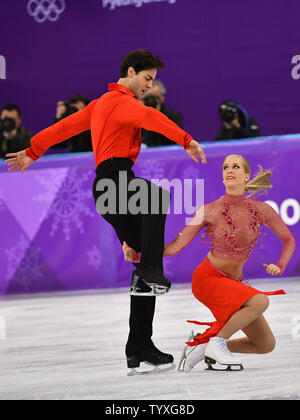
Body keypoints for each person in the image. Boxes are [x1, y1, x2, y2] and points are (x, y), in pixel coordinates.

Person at [5, 49, 207, 376]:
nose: (150, 87)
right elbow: (153, 119)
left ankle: (139, 345)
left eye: (153, 81)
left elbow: (65, 128)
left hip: (107, 190)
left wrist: (33, 150)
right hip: (116, 182)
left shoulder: (99, 105)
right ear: (131, 71)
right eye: (147, 79)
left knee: (141, 260)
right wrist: (187, 140)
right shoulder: (122, 102)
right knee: (156, 199)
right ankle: (152, 273)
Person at [123, 154, 295, 371]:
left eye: (235, 166)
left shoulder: (261, 210)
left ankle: (203, 348)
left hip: (235, 282)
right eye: (225, 167)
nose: (229, 170)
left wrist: (279, 265)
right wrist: (139, 256)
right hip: (208, 279)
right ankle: (217, 343)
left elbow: (288, 240)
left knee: (265, 344)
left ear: (246, 175)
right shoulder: (206, 211)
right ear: (222, 176)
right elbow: (175, 246)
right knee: (260, 301)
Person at [141, 79, 183, 147]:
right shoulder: (140, 117)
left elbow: (175, 138)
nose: (151, 101)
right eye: (148, 98)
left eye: (154, 97)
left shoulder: (173, 115)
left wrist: (157, 116)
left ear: (162, 97)